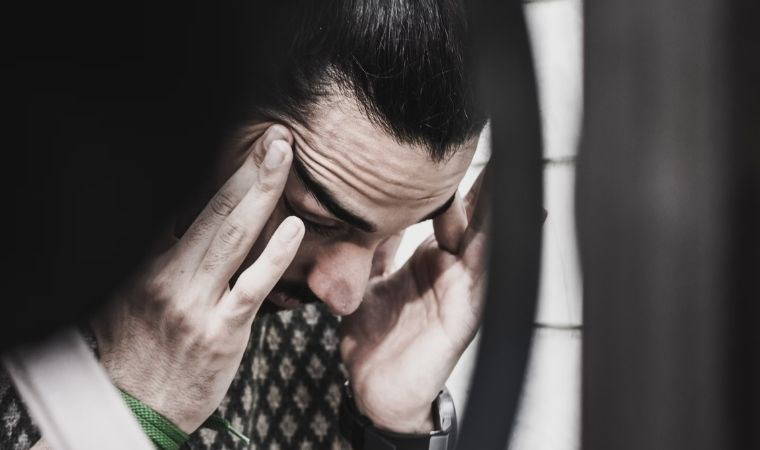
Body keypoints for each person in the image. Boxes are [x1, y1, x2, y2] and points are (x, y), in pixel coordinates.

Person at [2, 1, 489, 448]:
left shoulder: (333, 339)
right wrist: (134, 413)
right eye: (315, 218)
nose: (347, 297)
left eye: (398, 228)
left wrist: (392, 427)